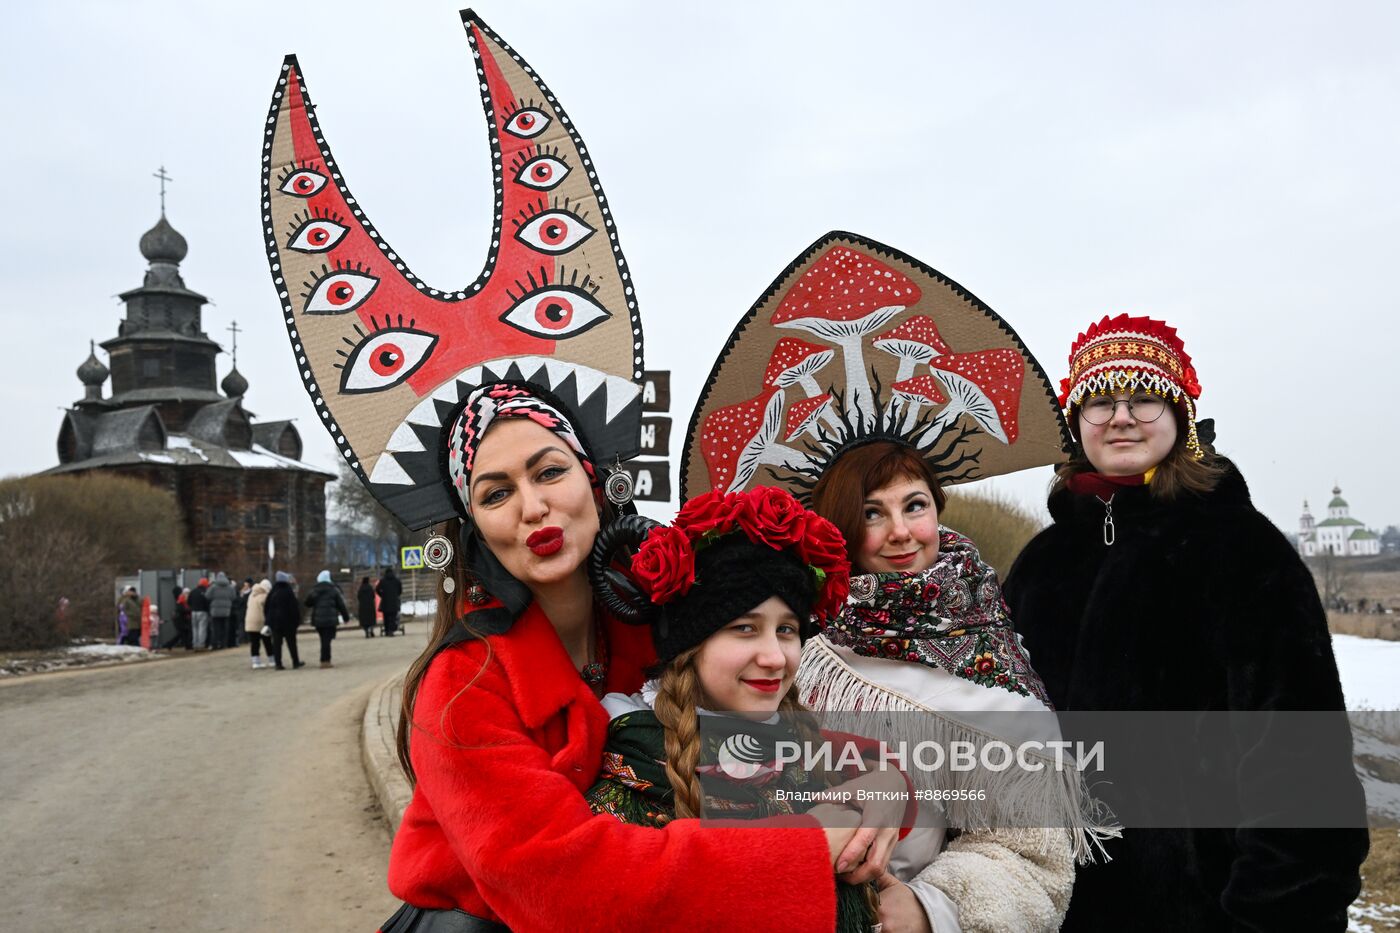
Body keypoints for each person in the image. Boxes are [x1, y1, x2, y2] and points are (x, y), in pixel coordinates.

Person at [380, 384, 896, 933]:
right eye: (496, 494)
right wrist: (804, 847)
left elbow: (772, 738)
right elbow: (564, 885)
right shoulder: (460, 686)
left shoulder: (653, 622)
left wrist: (883, 788)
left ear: (596, 480)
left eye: (550, 472)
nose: (532, 508)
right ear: (475, 528)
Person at [1001, 314, 1369, 931]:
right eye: (1099, 402)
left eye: (1144, 398)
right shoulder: (1042, 563)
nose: (1121, 418)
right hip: (1051, 907)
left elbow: (1304, 767)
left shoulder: (1242, 551)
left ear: (1179, 415)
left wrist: (1272, 913)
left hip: (1205, 912)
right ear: (1077, 423)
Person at [588, 486, 914, 933]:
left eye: (786, 630)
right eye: (744, 628)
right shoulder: (625, 789)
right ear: (689, 647)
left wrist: (889, 786)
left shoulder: (810, 759)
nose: (775, 658)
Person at [800, 442, 1084, 933]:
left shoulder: (989, 657)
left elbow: (1031, 858)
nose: (900, 532)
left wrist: (931, 908)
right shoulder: (794, 642)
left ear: (937, 507)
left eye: (915, 505)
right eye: (871, 513)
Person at [305, 570, 350, 668]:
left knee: (323, 639)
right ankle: (325, 661)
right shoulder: (333, 590)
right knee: (327, 640)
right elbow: (341, 605)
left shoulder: (315, 590)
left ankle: (324, 660)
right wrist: (346, 617)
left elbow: (307, 603)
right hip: (330, 619)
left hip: (318, 620)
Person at [264, 571, 303, 670]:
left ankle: (278, 663)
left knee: (277, 643)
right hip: (288, 622)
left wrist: (268, 620)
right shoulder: (288, 591)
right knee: (291, 643)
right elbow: (294, 607)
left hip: (275, 623)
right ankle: (295, 662)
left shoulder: (272, 592)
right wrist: (297, 621)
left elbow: (266, 607)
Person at [244, 578, 273, 669]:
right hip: (260, 621)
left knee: (254, 642)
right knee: (267, 641)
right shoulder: (265, 596)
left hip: (250, 621)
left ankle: (256, 662)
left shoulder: (252, 594)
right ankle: (272, 660)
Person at [206, 572, 236, 652]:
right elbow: (233, 597)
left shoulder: (213, 587)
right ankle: (224, 644)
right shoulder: (230, 587)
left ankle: (215, 644)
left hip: (215, 611)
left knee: (215, 629)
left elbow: (207, 596)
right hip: (226, 611)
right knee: (225, 628)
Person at [375, 566, 402, 636]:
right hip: (394, 602)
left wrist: (381, 595)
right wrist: (396, 595)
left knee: (386, 617)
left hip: (385, 602)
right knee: (393, 617)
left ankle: (387, 630)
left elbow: (377, 589)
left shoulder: (382, 581)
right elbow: (400, 590)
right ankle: (391, 630)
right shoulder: (396, 580)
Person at [187, 577, 211, 650]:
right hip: (203, 612)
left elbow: (188, 601)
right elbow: (207, 602)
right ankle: (201, 645)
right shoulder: (205, 592)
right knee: (202, 629)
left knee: (195, 629)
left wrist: (192, 607)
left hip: (193, 612)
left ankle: (195, 644)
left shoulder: (193, 591)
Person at [231, 577, 252, 647]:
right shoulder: (241, 592)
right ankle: (242, 639)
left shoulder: (250, 593)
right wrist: (241, 595)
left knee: (246, 626)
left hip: (247, 611)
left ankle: (247, 639)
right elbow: (238, 602)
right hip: (241, 612)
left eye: (246, 584)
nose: (245, 586)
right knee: (241, 626)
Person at [172, 586, 193, 650]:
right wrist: (190, 610)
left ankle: (187, 645)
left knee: (184, 633)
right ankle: (187, 645)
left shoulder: (181, 601)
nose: (187, 595)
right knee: (185, 633)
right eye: (187, 593)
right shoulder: (181, 602)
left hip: (183, 619)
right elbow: (183, 610)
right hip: (182, 620)